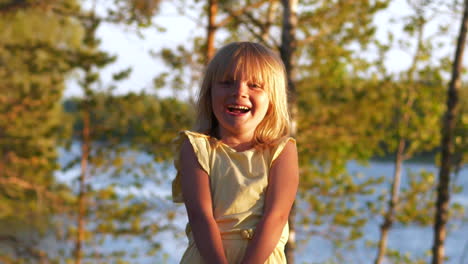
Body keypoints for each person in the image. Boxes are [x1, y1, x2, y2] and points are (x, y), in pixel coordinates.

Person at [172, 41, 299, 264]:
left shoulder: (282, 151)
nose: (239, 92)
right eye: (227, 82)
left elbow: (276, 217)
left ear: (272, 99)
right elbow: (201, 217)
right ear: (209, 93)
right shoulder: (195, 148)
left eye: (255, 86)